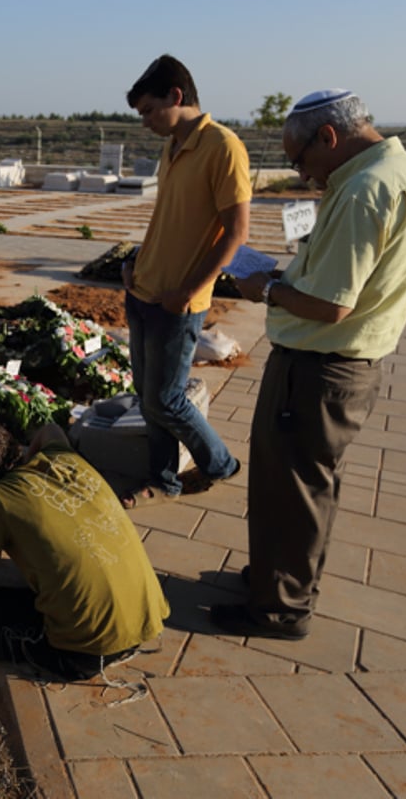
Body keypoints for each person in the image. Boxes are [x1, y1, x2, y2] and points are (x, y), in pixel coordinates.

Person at [211, 90, 406, 640]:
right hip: (347, 365)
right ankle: (280, 578)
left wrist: (265, 287)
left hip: (317, 368)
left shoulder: (365, 190)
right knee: (304, 484)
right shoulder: (405, 172)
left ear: (329, 137)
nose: (303, 173)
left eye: (300, 159)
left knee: (291, 487)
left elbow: (332, 304)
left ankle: (279, 609)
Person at [0, 419, 170, 681]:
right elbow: (50, 428)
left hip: (83, 653)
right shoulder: (61, 458)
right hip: (143, 623)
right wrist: (29, 455)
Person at [120, 54, 246, 509]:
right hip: (143, 289)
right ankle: (163, 478)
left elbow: (236, 232)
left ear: (176, 97)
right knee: (148, 398)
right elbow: (168, 217)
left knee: (167, 400)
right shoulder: (171, 146)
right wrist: (135, 262)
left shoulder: (223, 146)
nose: (147, 122)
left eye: (150, 111)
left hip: (179, 302)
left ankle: (220, 464)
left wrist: (189, 292)